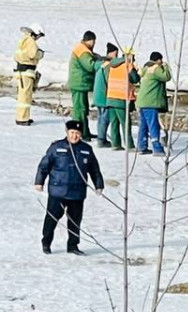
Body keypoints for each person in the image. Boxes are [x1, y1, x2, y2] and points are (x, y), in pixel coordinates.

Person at [35, 119, 104, 255]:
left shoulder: (86, 149)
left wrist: (98, 184)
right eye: (72, 132)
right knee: (52, 218)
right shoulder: (56, 147)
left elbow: (94, 169)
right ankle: (46, 242)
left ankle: (73, 245)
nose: (74, 136)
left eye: (77, 133)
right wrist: (39, 181)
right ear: (67, 132)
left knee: (75, 220)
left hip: (77, 192)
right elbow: (44, 166)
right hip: (58, 192)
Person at [135, 52, 172, 156]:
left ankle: (141, 146)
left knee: (144, 125)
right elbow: (166, 77)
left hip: (142, 101)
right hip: (150, 102)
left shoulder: (146, 69)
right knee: (153, 125)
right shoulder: (156, 68)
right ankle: (157, 147)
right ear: (158, 60)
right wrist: (166, 67)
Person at [67, 31, 101, 139]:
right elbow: (90, 66)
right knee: (80, 110)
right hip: (79, 84)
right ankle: (79, 133)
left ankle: (85, 131)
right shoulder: (83, 51)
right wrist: (101, 63)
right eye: (93, 41)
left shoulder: (81, 49)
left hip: (80, 83)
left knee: (83, 109)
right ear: (90, 41)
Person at [104, 48, 138, 151]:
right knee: (125, 123)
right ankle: (129, 145)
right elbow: (135, 79)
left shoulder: (111, 65)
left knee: (114, 122)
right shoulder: (128, 65)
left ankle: (115, 144)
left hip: (111, 97)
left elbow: (107, 78)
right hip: (121, 98)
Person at [14, 23, 45, 126]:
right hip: (27, 72)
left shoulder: (23, 40)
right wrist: (40, 53)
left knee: (22, 95)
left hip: (21, 72)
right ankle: (22, 119)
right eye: (39, 36)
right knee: (25, 97)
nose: (38, 38)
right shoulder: (31, 42)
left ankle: (22, 117)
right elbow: (33, 54)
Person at [93, 44, 119, 148]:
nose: (117, 56)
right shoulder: (108, 66)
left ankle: (101, 137)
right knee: (104, 118)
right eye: (116, 54)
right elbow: (109, 80)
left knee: (100, 117)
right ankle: (101, 139)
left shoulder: (100, 65)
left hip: (98, 95)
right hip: (104, 95)